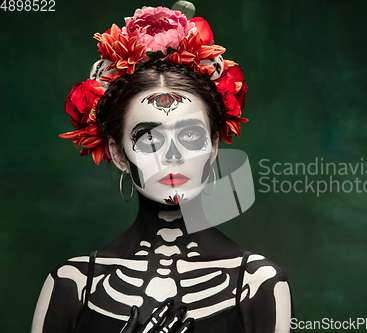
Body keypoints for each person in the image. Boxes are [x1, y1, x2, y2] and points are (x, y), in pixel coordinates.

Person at [31, 4, 294, 333]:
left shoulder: (258, 284)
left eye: (189, 135)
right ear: (118, 154)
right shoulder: (73, 284)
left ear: (213, 147)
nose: (172, 154)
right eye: (149, 138)